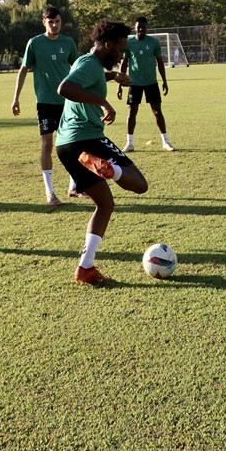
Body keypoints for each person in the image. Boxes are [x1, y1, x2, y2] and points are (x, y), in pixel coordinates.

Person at [55, 20, 149, 285]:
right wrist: (104, 102)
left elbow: (88, 77)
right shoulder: (87, 64)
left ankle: (85, 268)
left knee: (105, 204)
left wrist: (112, 76)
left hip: (67, 146)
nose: (122, 56)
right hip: (87, 140)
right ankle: (112, 169)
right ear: (107, 45)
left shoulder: (91, 63)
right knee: (140, 184)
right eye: (120, 50)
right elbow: (65, 88)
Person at [11, 6, 80, 206]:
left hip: (67, 101)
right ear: (44, 22)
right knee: (48, 144)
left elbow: (77, 68)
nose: (55, 25)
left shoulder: (68, 43)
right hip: (45, 101)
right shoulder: (35, 43)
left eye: (57, 21)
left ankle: (74, 187)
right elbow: (24, 70)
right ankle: (50, 192)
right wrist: (16, 98)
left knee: (72, 144)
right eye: (51, 22)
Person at [118, 16, 174, 153]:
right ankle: (129, 143)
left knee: (157, 111)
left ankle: (165, 142)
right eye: (138, 27)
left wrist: (165, 81)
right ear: (135, 28)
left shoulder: (153, 43)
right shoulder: (129, 43)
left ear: (146, 28)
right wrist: (120, 84)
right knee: (131, 112)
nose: (140, 29)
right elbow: (124, 64)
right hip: (134, 83)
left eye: (143, 27)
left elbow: (160, 63)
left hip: (151, 83)